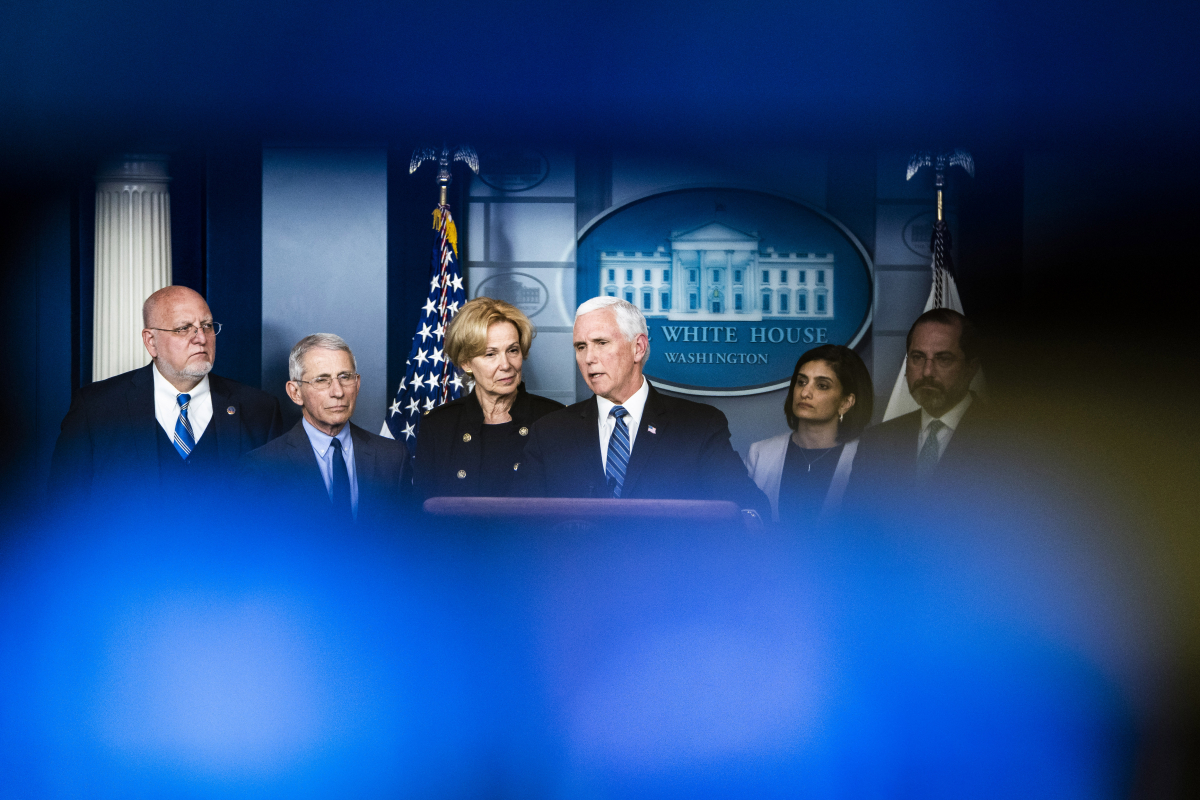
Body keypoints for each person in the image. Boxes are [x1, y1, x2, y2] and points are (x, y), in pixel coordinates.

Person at [519, 296, 769, 514]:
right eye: (580, 347)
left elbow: (750, 509)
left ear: (638, 348)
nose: (588, 358)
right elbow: (523, 527)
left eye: (601, 343)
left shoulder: (699, 427)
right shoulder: (550, 432)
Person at [48, 285, 282, 503]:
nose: (201, 338)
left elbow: (276, 507)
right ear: (151, 342)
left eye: (207, 326)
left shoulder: (260, 410)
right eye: (183, 329)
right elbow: (65, 510)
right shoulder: (96, 408)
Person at [242, 333, 409, 525]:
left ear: (357, 384)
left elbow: (405, 540)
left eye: (345, 377)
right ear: (295, 393)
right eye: (322, 380)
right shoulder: (262, 467)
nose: (338, 392)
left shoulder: (393, 457)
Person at [414, 297, 564, 500]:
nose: (505, 364)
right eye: (490, 354)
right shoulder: (439, 424)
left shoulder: (554, 419)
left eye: (513, 350)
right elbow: (423, 513)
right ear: (466, 363)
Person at [845, 308, 990, 503]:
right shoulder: (875, 444)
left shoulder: (1010, 443)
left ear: (971, 368)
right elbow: (852, 525)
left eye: (944, 359)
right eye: (917, 357)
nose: (927, 371)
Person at [744, 344, 874, 523]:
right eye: (801, 382)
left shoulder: (867, 457)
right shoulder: (760, 453)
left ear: (846, 402)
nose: (805, 392)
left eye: (822, 385)